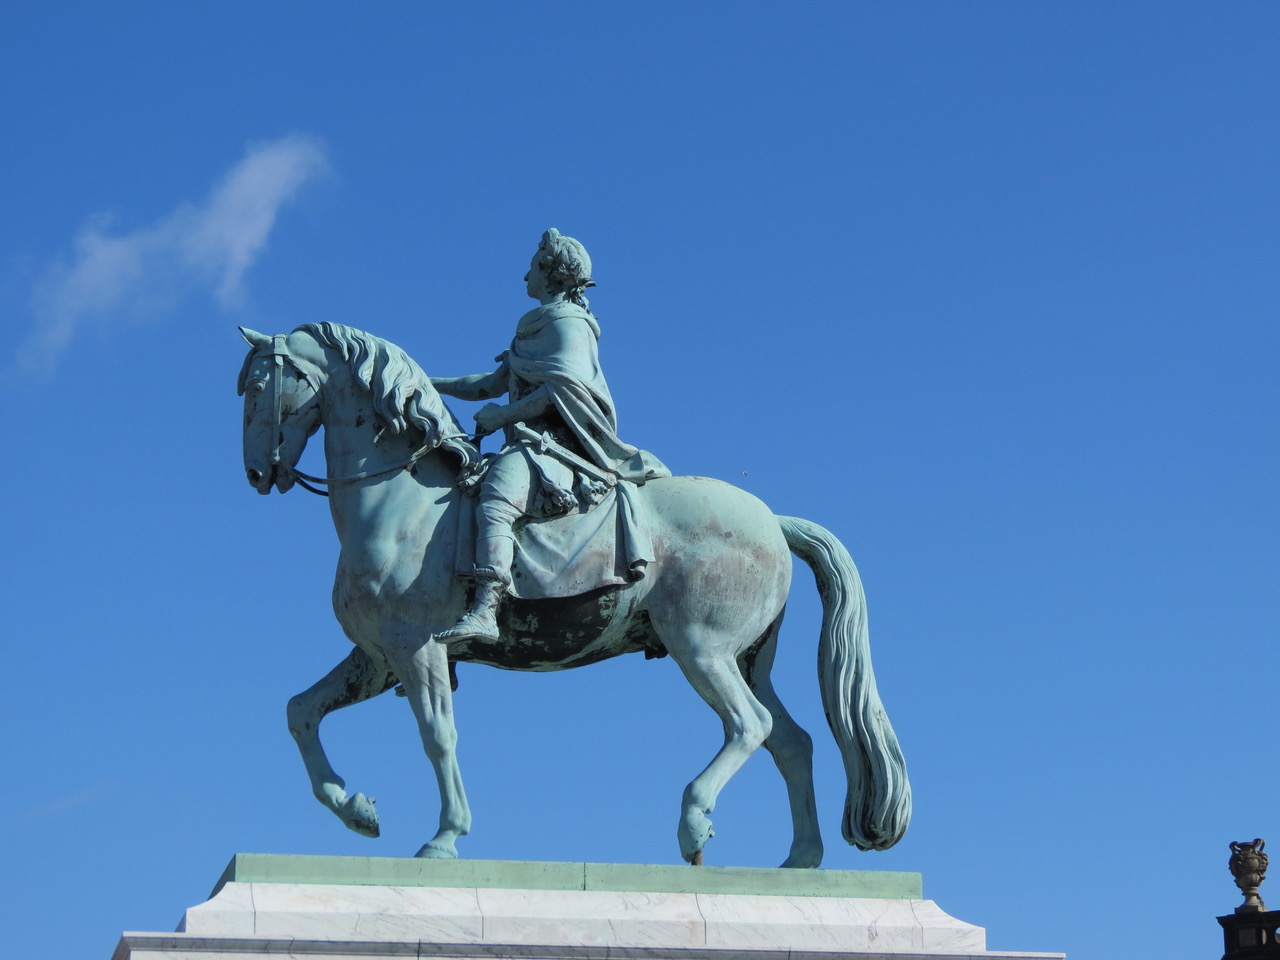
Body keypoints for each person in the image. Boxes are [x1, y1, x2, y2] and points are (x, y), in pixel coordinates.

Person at [431, 229, 668, 643]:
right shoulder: (534, 326)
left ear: (551, 274)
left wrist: (505, 413)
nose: (524, 276)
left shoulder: (571, 325)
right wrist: (427, 382)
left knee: (496, 501)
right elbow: (486, 384)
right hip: (527, 440)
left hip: (555, 446)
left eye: (531, 268)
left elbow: (565, 388)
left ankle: (486, 609)